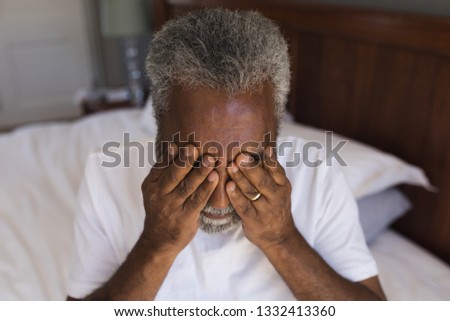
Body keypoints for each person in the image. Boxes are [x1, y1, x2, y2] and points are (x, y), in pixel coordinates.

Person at [67, 9, 385, 300]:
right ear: (158, 125)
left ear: (275, 130)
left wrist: (282, 240)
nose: (220, 201)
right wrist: (156, 244)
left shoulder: (317, 173)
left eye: (249, 160)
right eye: (195, 162)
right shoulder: (105, 175)